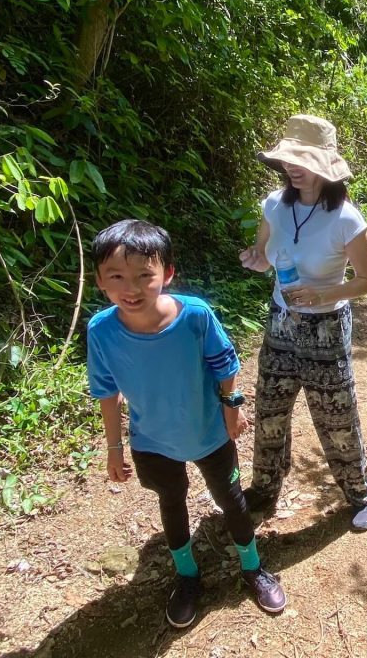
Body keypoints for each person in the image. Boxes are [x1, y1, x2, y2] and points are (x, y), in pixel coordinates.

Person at [86, 219, 286, 630]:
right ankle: (187, 576)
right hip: (152, 441)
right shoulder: (101, 331)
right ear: (100, 281)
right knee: (171, 500)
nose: (132, 287)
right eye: (117, 276)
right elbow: (106, 390)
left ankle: (253, 566)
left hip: (208, 433)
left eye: (145, 275)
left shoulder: (194, 316)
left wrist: (232, 405)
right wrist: (114, 447)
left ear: (168, 273)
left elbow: (224, 361)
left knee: (230, 498)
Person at [238, 114, 367, 531]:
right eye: (288, 160)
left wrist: (322, 295)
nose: (292, 168)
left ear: (325, 164)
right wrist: (254, 260)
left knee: (336, 416)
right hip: (280, 324)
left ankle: (360, 493)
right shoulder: (273, 205)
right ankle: (264, 488)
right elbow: (266, 257)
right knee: (270, 410)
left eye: (302, 159)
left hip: (327, 329)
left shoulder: (346, 219)